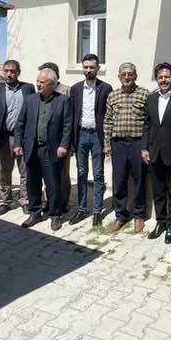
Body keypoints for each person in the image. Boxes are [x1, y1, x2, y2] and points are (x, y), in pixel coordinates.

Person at [13, 67, 73, 231]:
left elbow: (68, 126)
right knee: (32, 182)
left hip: (51, 149)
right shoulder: (30, 100)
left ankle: (55, 214)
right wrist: (17, 143)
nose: (38, 84)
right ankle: (35, 212)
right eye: (37, 81)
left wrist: (63, 145)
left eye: (42, 82)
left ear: (52, 84)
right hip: (32, 148)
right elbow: (20, 123)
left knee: (53, 184)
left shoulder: (63, 101)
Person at [141, 62, 171, 244]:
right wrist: (144, 148)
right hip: (154, 153)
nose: (164, 80)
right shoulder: (151, 98)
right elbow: (147, 125)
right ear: (157, 79)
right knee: (158, 192)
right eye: (160, 77)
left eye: (167, 77)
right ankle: (160, 222)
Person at [103, 63, 149, 232]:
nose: (127, 77)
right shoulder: (113, 96)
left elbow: (149, 121)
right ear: (119, 77)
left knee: (139, 179)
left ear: (135, 76)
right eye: (124, 74)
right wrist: (107, 144)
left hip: (138, 143)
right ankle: (120, 216)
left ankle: (138, 215)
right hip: (119, 144)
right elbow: (108, 120)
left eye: (130, 74)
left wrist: (147, 146)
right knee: (119, 180)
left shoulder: (145, 94)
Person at [70, 54, 113, 226]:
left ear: (98, 69)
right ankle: (81, 209)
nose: (88, 70)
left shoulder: (106, 88)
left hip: (97, 136)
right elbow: (72, 114)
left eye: (92, 67)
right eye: (86, 67)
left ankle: (97, 211)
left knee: (98, 174)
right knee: (81, 173)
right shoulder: (75, 89)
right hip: (80, 135)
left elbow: (109, 115)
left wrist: (107, 141)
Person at [0, 60, 35, 216]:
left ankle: (25, 201)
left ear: (18, 72)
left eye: (13, 71)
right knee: (4, 170)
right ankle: (5, 202)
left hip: (23, 137)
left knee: (25, 171)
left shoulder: (28, 88)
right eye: (6, 71)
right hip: (4, 137)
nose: (9, 74)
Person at [39, 61, 72, 213]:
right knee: (48, 174)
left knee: (62, 174)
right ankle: (50, 200)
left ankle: (63, 201)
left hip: (61, 143)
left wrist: (68, 143)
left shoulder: (66, 90)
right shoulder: (41, 91)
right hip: (46, 141)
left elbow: (70, 119)